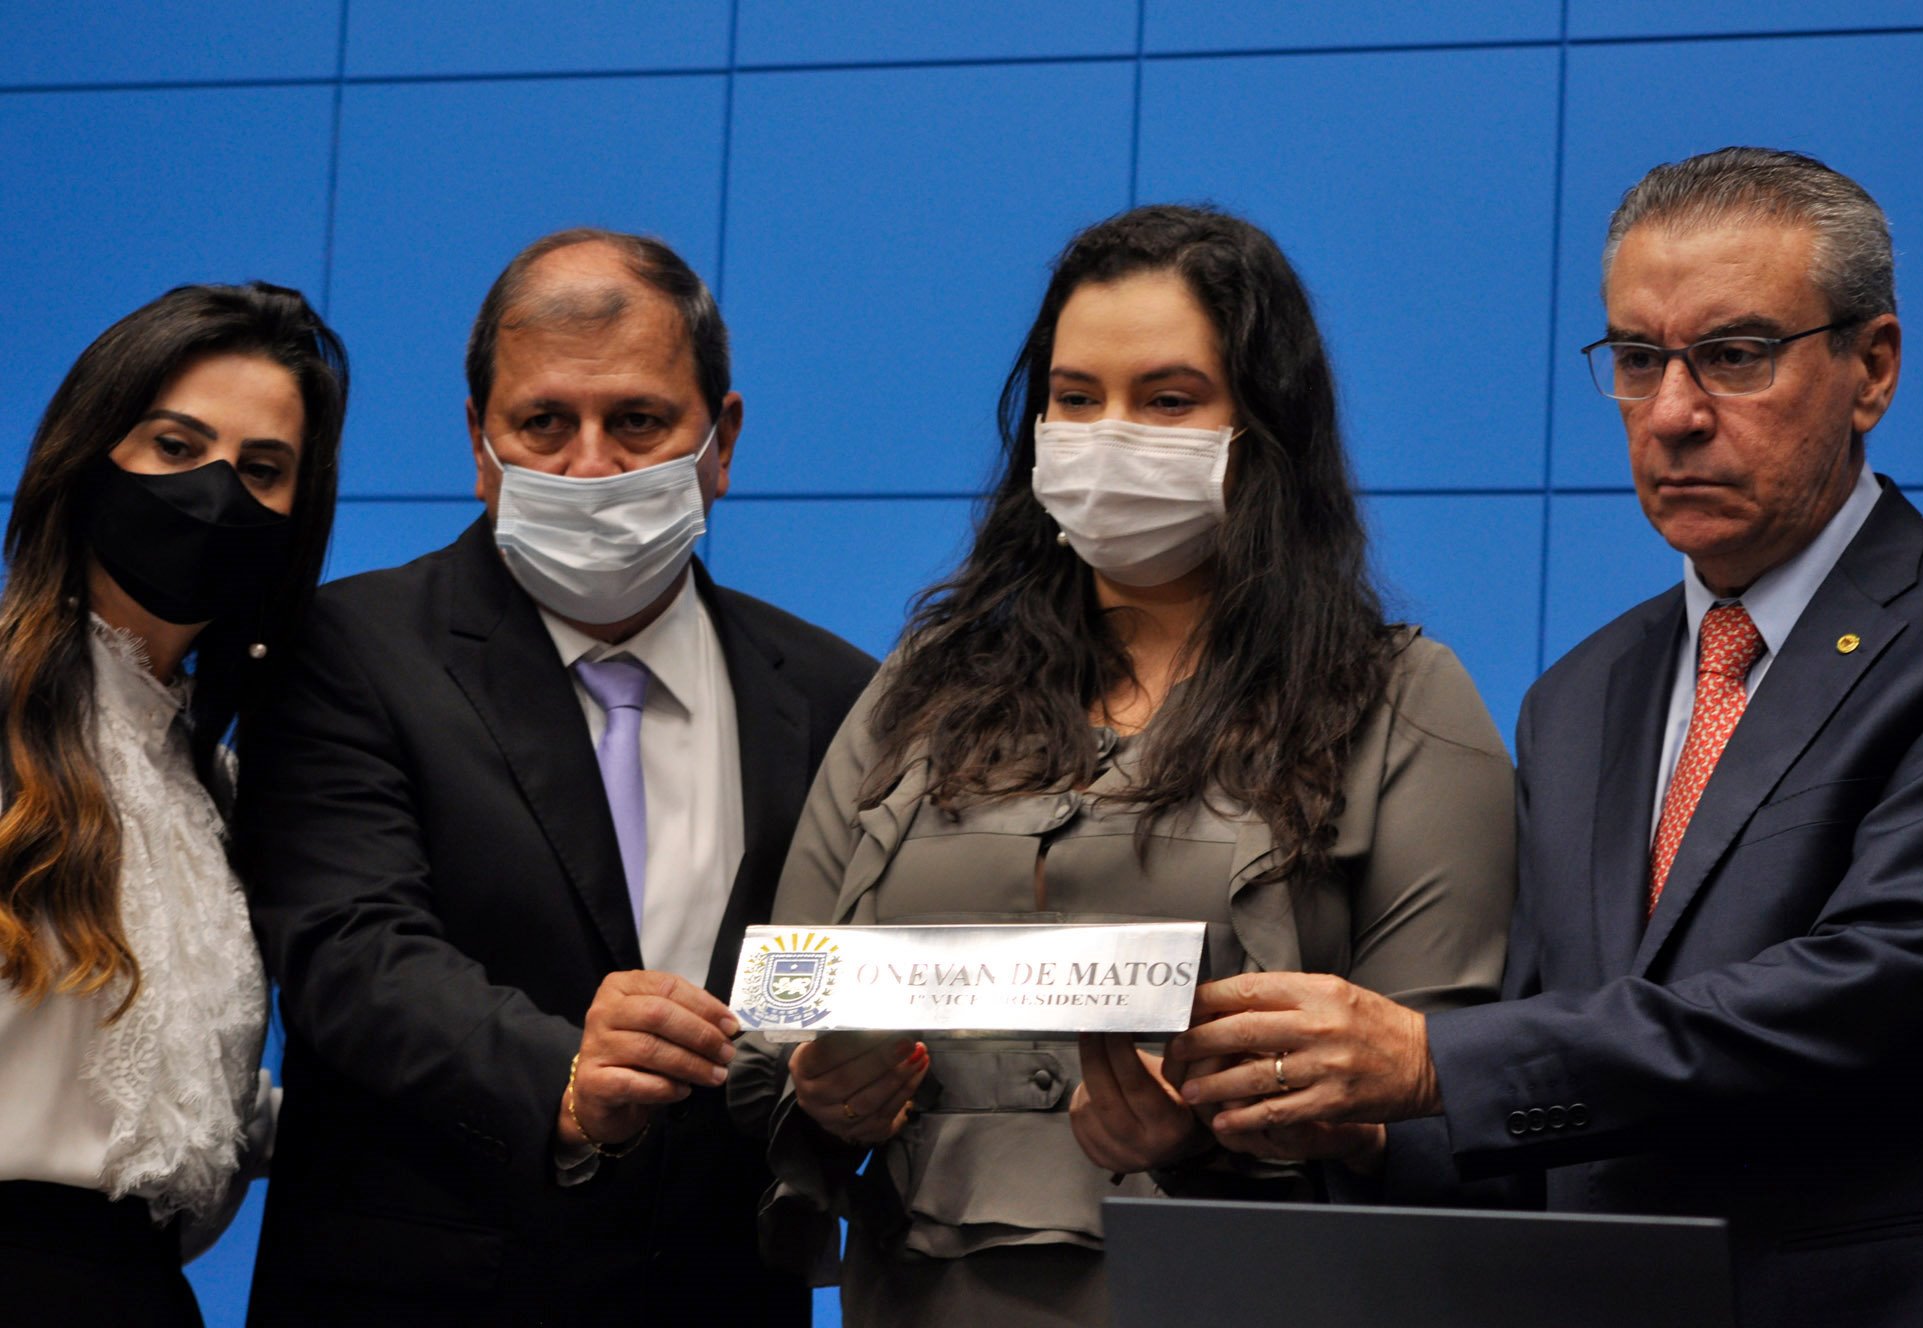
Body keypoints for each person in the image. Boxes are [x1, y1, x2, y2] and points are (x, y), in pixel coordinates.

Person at [1173, 147, 1923, 1327]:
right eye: (1636, 358)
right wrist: (1357, 1123)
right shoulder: (1578, 697)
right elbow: (1553, 1097)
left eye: (1734, 355)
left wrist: (1434, 1061)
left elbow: (1879, 981)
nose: (1671, 414)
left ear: (1870, 367)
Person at [729, 204, 1516, 1327]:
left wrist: (1207, 1132)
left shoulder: (1400, 700)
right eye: (1074, 398)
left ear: (1264, 426)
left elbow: (1433, 1104)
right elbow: (784, 1005)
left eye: (1167, 400)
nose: (1107, 436)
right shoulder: (924, 685)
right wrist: (821, 1094)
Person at [234, 229, 875, 1325]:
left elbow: (828, 988)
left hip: (719, 1295)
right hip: (418, 1294)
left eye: (637, 421)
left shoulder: (838, 694)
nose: (588, 465)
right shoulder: (347, 649)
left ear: (720, 440)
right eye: (543, 423)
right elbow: (350, 951)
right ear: (479, 445)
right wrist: (568, 1075)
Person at [0, 282, 347, 1325]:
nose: (215, 491)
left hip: (142, 1289)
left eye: (261, 469)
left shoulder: (218, 786)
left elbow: (188, 1103)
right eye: (176, 446)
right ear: (86, 453)